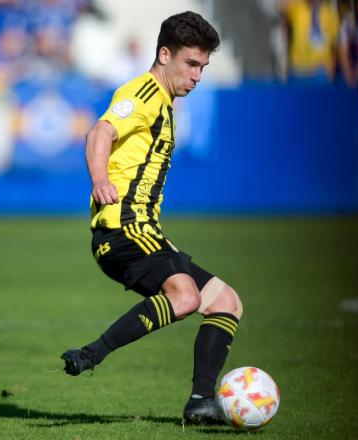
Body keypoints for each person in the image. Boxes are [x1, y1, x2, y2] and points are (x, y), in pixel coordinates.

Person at [60, 11, 243, 425]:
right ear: (165, 54)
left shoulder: (164, 102)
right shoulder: (142, 93)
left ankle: (200, 402)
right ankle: (94, 353)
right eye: (191, 64)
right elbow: (99, 133)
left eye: (203, 67)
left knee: (226, 303)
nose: (197, 76)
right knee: (185, 296)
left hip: (146, 231)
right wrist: (100, 178)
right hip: (123, 230)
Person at [279, 0, 340, 84]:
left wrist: (333, 63)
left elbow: (335, 43)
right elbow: (283, 12)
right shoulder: (297, 7)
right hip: (299, 68)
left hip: (322, 69)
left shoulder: (330, 13)